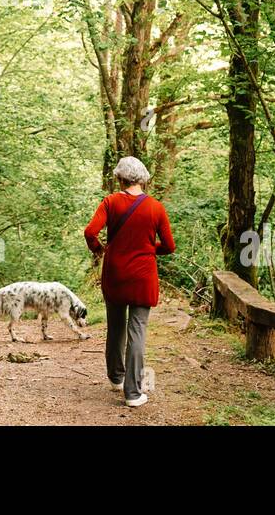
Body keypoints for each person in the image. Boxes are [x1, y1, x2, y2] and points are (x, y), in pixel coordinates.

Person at [84, 156, 175, 408]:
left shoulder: (110, 202)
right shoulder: (156, 207)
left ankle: (116, 377)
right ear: (143, 179)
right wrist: (148, 249)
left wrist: (99, 248)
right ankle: (133, 394)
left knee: (115, 327)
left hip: (114, 274)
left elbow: (90, 231)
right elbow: (169, 246)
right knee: (137, 331)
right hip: (142, 277)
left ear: (120, 178)